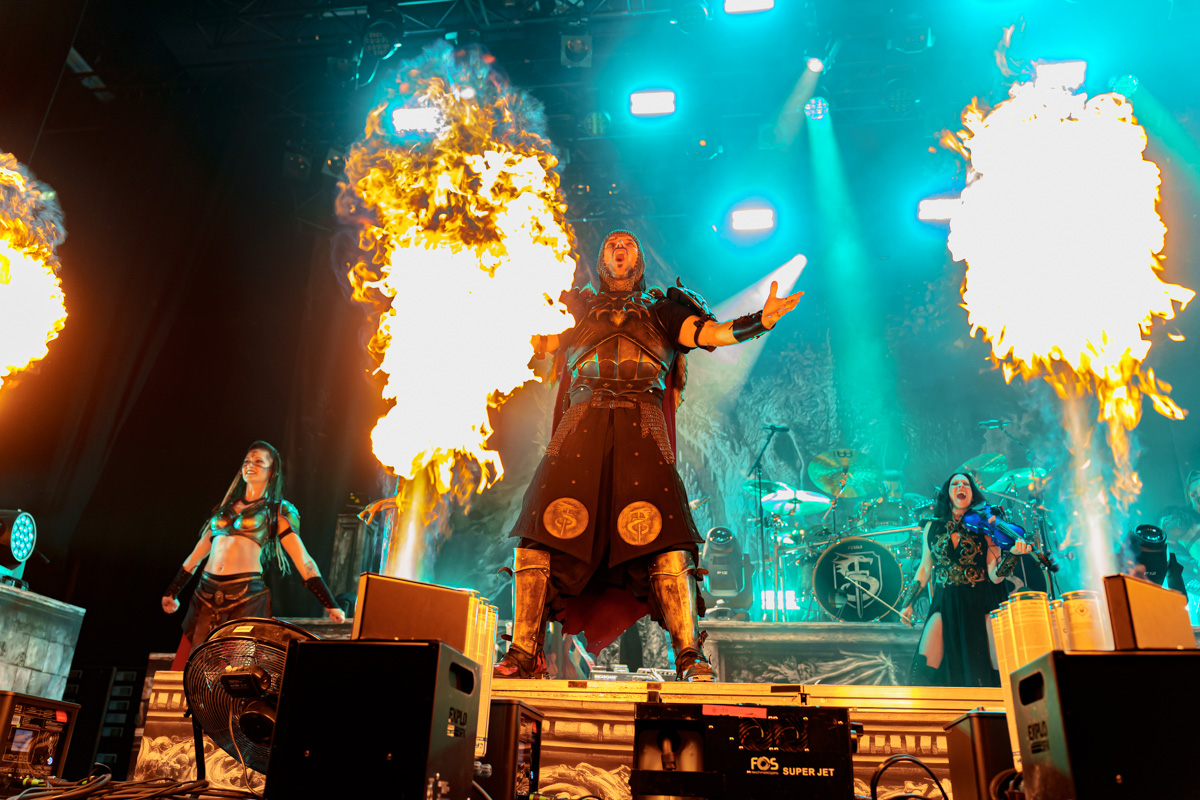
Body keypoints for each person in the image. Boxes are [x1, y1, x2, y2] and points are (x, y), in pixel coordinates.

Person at [494, 229, 803, 681]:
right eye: (611, 245)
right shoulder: (575, 309)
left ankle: (689, 655)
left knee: (666, 543)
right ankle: (523, 652)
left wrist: (760, 320)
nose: (619, 249)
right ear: (602, 259)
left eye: (628, 245)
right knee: (540, 537)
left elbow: (711, 333)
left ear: (638, 260)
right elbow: (535, 343)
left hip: (642, 428)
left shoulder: (663, 310)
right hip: (579, 429)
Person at [161, 441, 346, 670]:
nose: (250, 465)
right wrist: (172, 591)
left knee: (235, 669)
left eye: (259, 462)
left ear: (272, 471)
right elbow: (197, 554)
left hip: (246, 596)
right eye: (247, 461)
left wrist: (330, 603)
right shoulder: (223, 509)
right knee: (192, 667)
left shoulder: (278, 511)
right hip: (205, 593)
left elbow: (303, 559)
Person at [898, 471, 1032, 687]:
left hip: (980, 601)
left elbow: (995, 577)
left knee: (992, 669)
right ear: (948, 493)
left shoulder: (986, 528)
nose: (961, 486)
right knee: (923, 670)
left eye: (966, 484)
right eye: (955, 484)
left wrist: (1013, 555)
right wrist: (908, 602)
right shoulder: (932, 527)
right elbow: (924, 568)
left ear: (972, 493)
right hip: (945, 601)